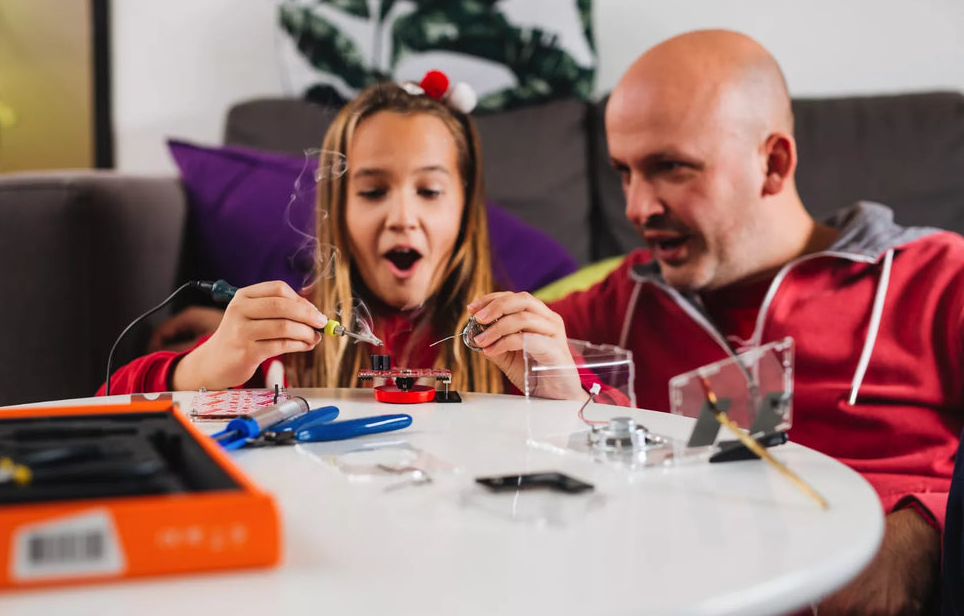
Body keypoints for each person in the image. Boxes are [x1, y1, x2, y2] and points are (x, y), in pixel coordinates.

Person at [468, 30, 959, 613]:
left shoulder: (935, 278)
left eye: (670, 168)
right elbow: (428, 375)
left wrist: (931, 530)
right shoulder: (622, 302)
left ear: (772, 164)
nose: (636, 208)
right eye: (624, 172)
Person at [100, 73, 508, 396]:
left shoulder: (510, 349)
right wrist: (201, 367)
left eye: (430, 191)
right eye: (372, 191)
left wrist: (557, 381)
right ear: (339, 207)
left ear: (465, 209)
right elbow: (105, 406)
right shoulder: (281, 342)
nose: (402, 217)